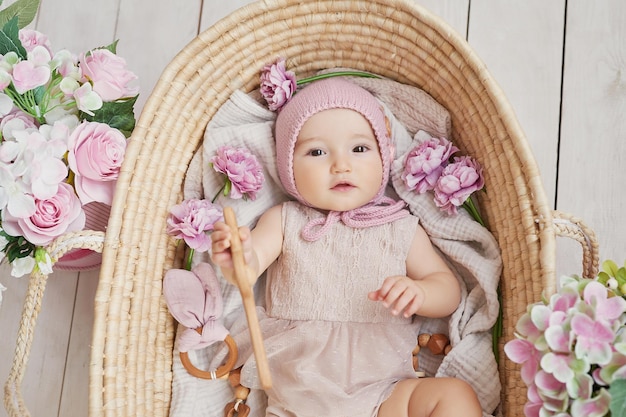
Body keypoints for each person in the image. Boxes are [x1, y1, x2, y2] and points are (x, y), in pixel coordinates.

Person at [210, 77, 482, 417]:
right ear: (288, 168)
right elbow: (249, 265)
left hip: (385, 391)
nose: (341, 164)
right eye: (317, 152)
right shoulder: (285, 220)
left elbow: (449, 292)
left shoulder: (400, 227)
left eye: (359, 149)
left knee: (454, 396)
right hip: (303, 390)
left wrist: (420, 292)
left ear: (384, 157)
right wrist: (236, 255)